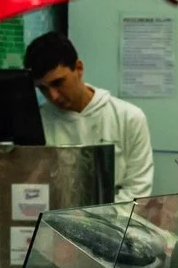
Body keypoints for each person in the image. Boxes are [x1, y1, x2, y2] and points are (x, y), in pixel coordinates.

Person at [25, 29, 156, 203]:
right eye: (43, 88)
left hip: (115, 225)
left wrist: (98, 222)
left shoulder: (129, 118)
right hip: (54, 224)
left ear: (79, 68)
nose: (53, 96)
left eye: (58, 83)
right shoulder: (37, 123)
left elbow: (138, 188)